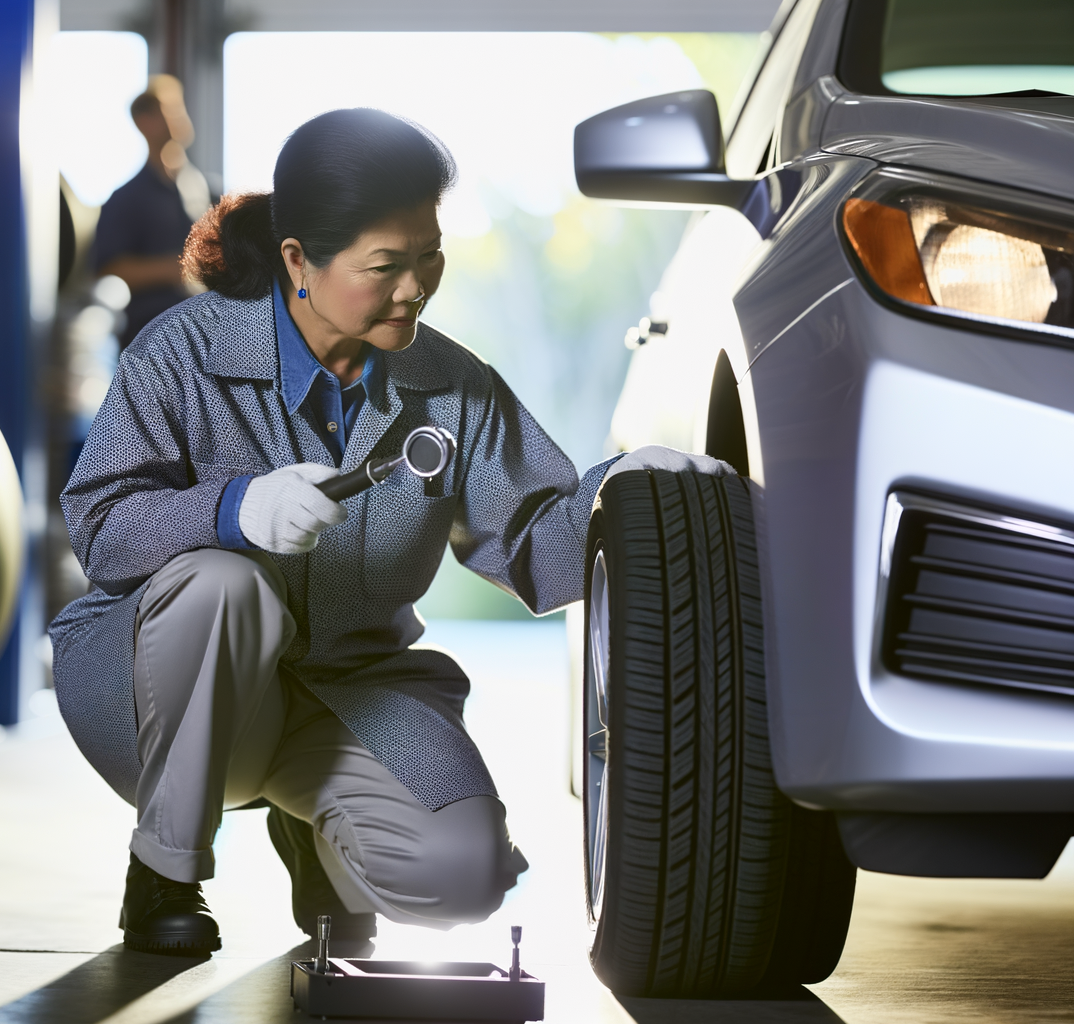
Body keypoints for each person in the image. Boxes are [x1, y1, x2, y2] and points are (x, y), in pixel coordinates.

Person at [50, 108, 728, 956]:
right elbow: (102, 529)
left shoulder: (452, 386)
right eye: (386, 267)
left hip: (347, 691)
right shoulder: (179, 354)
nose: (415, 287)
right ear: (298, 261)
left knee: (462, 877)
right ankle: (164, 870)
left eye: (429, 258)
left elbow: (535, 547)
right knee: (225, 585)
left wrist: (621, 495)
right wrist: (232, 509)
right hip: (157, 691)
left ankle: (312, 831)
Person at [91, 75, 213, 347]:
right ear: (144, 123)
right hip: (153, 340)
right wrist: (172, 268)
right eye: (168, 110)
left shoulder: (199, 188)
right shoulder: (127, 198)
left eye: (178, 107)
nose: (178, 116)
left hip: (202, 336)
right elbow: (109, 268)